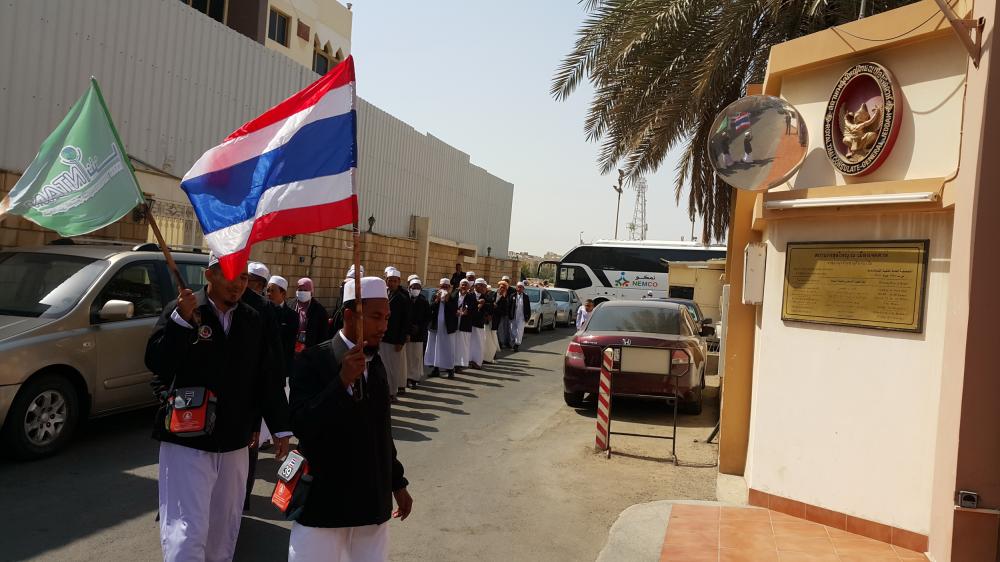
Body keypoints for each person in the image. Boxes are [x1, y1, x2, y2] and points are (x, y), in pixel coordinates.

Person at [145, 253, 291, 562]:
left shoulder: (253, 319)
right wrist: (181, 323)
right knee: (188, 531)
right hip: (188, 440)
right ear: (209, 275)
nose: (238, 285)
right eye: (230, 275)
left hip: (235, 441)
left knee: (224, 529)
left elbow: (267, 377)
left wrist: (279, 427)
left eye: (242, 278)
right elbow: (158, 363)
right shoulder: (183, 310)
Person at [287, 276, 413, 562]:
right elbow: (302, 424)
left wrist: (398, 483)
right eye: (376, 317)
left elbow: (382, 433)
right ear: (348, 315)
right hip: (325, 505)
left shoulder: (376, 364)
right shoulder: (313, 362)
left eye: (387, 317)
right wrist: (341, 382)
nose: (383, 326)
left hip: (371, 504)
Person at [240, 262, 289, 511]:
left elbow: (271, 367)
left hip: (248, 406)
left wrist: (280, 426)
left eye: (247, 279)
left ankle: (239, 505)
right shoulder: (195, 307)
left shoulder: (263, 310)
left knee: (245, 457)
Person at [380, 267, 410, 401]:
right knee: (383, 366)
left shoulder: (402, 299)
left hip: (395, 339)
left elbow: (405, 322)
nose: (391, 283)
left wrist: (400, 341)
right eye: (389, 280)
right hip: (383, 337)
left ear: (398, 282)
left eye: (394, 281)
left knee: (393, 367)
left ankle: (392, 392)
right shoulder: (383, 295)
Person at [425, 278, 458, 379]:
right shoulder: (435, 295)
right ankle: (435, 369)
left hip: (447, 328)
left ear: (449, 287)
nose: (444, 288)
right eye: (442, 286)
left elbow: (454, 310)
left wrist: (447, 301)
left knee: (448, 349)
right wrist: (437, 300)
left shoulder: (452, 297)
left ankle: (450, 370)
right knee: (435, 348)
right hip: (436, 327)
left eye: (446, 286)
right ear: (439, 286)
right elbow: (429, 308)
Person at [405, 278, 430, 388]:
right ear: (409, 288)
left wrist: (419, 327)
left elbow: (428, 317)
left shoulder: (424, 301)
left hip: (419, 334)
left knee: (416, 357)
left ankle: (414, 378)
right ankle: (405, 377)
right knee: (406, 357)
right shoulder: (405, 300)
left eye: (417, 287)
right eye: (413, 287)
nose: (415, 289)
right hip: (406, 334)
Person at [294, 278, 328, 353]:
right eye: (300, 290)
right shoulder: (291, 305)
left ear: (311, 292)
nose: (302, 292)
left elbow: (323, 336)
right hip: (291, 350)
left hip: (310, 352)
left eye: (305, 290)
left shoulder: (319, 310)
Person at [452, 279, 476, 370]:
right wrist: (455, 311)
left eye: (466, 285)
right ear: (459, 285)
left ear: (468, 287)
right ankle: (452, 363)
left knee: (463, 346)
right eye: (462, 284)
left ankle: (459, 364)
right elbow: (449, 307)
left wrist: (467, 312)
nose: (464, 286)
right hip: (454, 324)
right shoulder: (454, 295)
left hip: (465, 324)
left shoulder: (471, 297)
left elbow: (474, 310)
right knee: (454, 344)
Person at [468, 278, 491, 369]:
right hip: (469, 323)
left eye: (484, 286)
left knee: (479, 343)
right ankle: (468, 360)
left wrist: (483, 306)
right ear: (477, 286)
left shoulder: (486, 297)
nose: (483, 288)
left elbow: (489, 309)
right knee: (469, 343)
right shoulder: (470, 295)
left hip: (479, 324)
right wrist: (477, 305)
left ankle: (477, 361)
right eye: (482, 286)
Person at [510, 282, 531, 351]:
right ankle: (514, 341)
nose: (519, 289)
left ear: (523, 289)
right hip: (514, 315)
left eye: (521, 287)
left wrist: (528, 317)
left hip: (522, 316)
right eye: (518, 287)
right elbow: (509, 306)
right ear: (516, 288)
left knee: (520, 330)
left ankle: (517, 344)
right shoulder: (512, 296)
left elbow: (528, 308)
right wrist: (509, 314)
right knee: (513, 330)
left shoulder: (525, 297)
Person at [482, 284, 499, 363]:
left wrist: (488, 315)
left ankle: (489, 356)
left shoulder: (488, 299)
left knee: (488, 340)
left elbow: (490, 309)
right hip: (481, 322)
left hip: (487, 323)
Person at [494, 280, 513, 349]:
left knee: (500, 330)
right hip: (492, 316)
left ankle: (500, 343)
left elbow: (505, 309)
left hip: (501, 317)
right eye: (501, 287)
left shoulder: (505, 298)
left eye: (504, 288)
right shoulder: (493, 294)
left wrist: (496, 307)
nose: (502, 289)